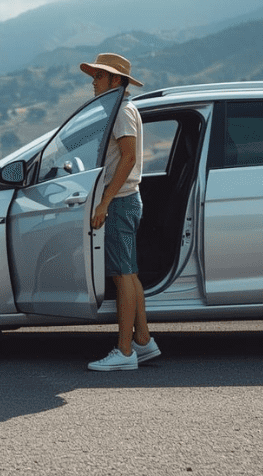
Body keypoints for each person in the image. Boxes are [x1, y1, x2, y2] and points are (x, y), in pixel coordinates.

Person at [79, 53, 160, 371]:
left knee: (123, 276)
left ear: (116, 80)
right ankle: (143, 340)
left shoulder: (122, 112)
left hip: (121, 202)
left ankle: (124, 352)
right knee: (130, 273)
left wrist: (105, 202)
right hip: (126, 200)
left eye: (99, 76)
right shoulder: (124, 109)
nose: (94, 82)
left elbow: (128, 158)